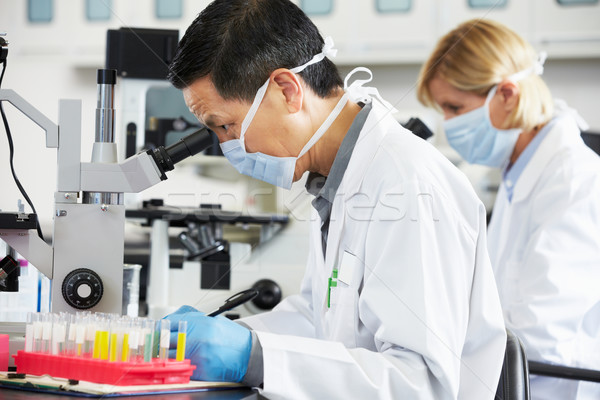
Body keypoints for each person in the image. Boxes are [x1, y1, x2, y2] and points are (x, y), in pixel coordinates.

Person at [164, 1, 506, 398]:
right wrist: (233, 337)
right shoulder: (337, 178)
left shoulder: (406, 183)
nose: (228, 146)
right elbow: (320, 319)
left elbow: (420, 382)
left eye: (226, 125)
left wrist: (254, 357)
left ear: (287, 90)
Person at [417, 19, 600, 400]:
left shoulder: (574, 182)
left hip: (549, 387)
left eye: (454, 108)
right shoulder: (521, 170)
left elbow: (540, 333)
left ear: (507, 95)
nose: (447, 124)